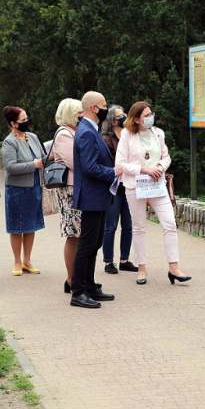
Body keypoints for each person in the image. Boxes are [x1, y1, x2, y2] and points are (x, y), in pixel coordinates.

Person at [115, 101, 191, 286]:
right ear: (136, 119)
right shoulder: (127, 134)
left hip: (157, 185)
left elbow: (166, 156)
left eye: (151, 114)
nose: (151, 118)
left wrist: (159, 167)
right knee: (139, 227)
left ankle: (174, 268)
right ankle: (141, 268)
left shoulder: (158, 133)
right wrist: (143, 169)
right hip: (136, 186)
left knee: (170, 224)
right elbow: (120, 164)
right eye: (146, 116)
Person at [70, 91, 122, 308]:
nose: (105, 108)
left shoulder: (92, 129)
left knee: (95, 243)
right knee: (87, 244)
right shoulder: (86, 132)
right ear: (93, 108)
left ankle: (90, 286)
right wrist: (113, 171)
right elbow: (89, 167)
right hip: (91, 196)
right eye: (103, 105)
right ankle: (78, 292)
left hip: (98, 196)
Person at [1, 106, 46, 276]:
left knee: (30, 226)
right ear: (13, 123)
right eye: (23, 120)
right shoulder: (9, 142)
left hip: (34, 186)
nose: (26, 122)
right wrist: (33, 165)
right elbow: (10, 167)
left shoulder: (32, 137)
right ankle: (17, 261)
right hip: (16, 189)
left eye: (27, 118)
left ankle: (27, 260)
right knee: (16, 227)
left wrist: (51, 157)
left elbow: (42, 157)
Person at [52, 98, 83, 293]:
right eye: (79, 112)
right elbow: (76, 162)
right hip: (70, 190)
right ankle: (71, 279)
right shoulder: (64, 134)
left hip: (79, 189)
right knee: (73, 234)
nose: (82, 115)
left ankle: (80, 277)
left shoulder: (75, 132)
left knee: (81, 235)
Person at [101, 104, 136, 274]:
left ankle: (124, 260)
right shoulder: (106, 140)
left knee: (128, 224)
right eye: (120, 116)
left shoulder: (129, 136)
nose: (123, 118)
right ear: (112, 120)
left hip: (129, 184)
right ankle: (108, 261)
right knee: (111, 225)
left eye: (124, 115)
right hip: (114, 186)